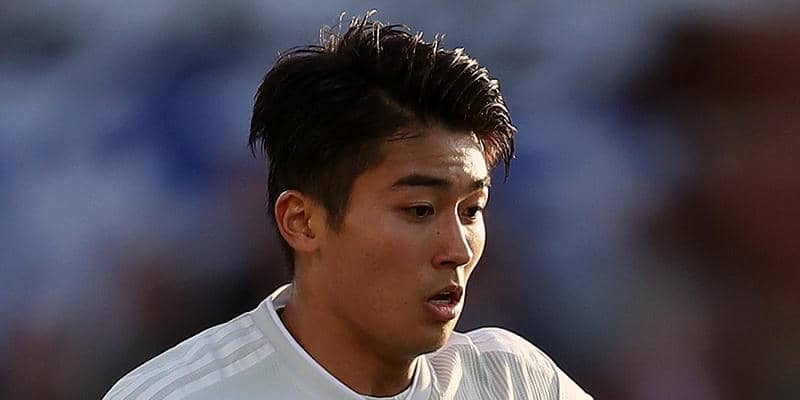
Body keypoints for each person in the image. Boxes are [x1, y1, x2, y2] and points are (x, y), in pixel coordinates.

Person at [103, 12, 592, 400]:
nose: (458, 249)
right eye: (420, 210)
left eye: (471, 210)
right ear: (302, 221)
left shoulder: (515, 383)